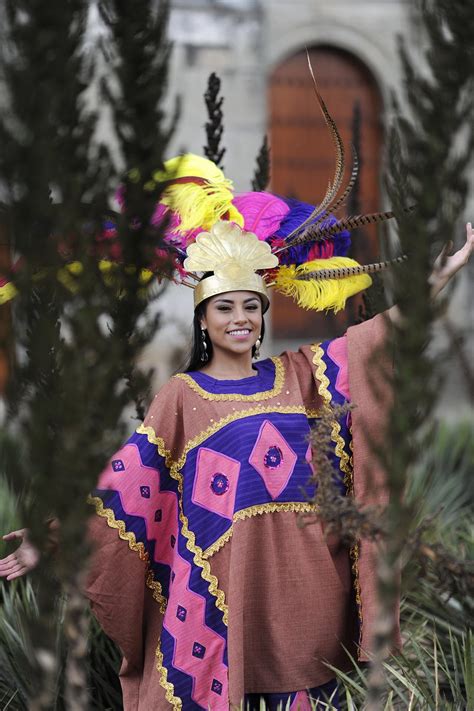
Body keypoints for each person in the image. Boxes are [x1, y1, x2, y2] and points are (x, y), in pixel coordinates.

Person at [1, 149, 473, 711]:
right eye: (226, 308)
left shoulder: (302, 376)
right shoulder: (182, 397)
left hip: (308, 602)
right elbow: (127, 487)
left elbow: (380, 337)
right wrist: (49, 539)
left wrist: (445, 272)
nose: (241, 319)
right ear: (204, 318)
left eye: (252, 306)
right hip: (225, 605)